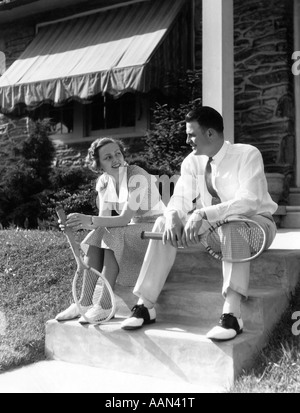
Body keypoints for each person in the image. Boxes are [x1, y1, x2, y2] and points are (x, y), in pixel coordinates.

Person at [121, 106, 278, 341]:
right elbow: (180, 199)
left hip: (255, 226)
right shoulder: (191, 163)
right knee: (164, 222)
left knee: (231, 225)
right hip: (214, 228)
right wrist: (173, 214)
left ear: (211, 134)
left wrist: (203, 214)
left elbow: (250, 201)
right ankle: (146, 305)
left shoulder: (247, 154)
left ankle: (232, 315)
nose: (187, 140)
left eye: (191, 134)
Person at [55, 137, 165, 324]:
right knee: (100, 233)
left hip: (156, 227)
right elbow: (101, 221)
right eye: (108, 157)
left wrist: (88, 219)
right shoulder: (104, 182)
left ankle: (106, 305)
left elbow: (123, 219)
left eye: (118, 154)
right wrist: (76, 222)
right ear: (98, 164)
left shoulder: (136, 175)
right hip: (136, 227)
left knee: (115, 232)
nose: (116, 160)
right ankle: (84, 302)